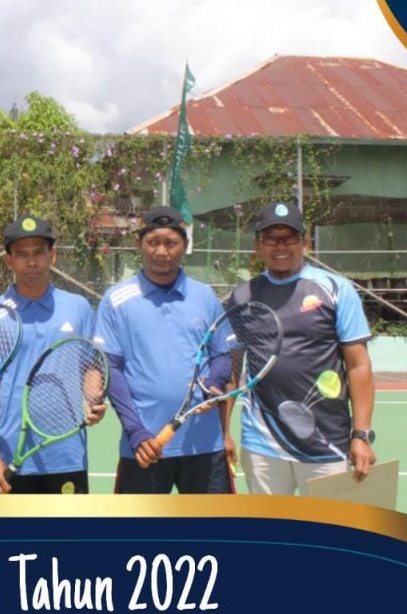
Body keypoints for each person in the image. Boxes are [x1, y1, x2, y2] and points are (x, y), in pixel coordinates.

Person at [229, 202, 375, 495]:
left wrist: (361, 435)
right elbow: (231, 371)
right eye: (271, 238)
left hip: (327, 442)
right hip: (262, 444)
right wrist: (223, 434)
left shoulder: (336, 289)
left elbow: (358, 365)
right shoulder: (242, 296)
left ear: (305, 244)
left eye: (290, 237)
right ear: (257, 246)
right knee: (270, 526)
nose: (280, 246)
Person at [96, 206, 234, 494]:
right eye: (152, 242)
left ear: (185, 245)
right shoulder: (115, 300)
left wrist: (214, 383)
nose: (161, 251)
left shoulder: (205, 296)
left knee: (214, 526)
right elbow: (112, 370)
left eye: (170, 243)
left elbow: (221, 354)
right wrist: (136, 432)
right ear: (139, 244)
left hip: (204, 446)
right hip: (145, 447)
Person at [0, 215, 106, 494]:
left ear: (52, 256)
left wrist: (94, 398)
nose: (32, 262)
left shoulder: (79, 308)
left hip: (68, 456)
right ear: (9, 261)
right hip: (11, 457)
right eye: (22, 254)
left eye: (38, 253)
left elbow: (90, 365)